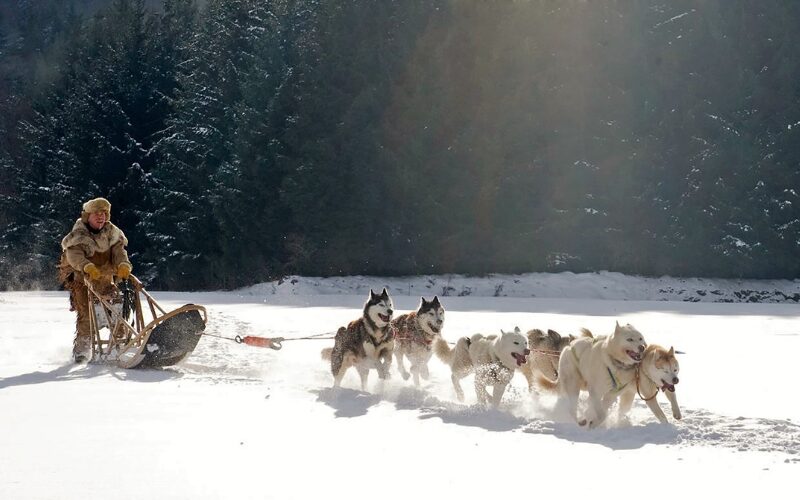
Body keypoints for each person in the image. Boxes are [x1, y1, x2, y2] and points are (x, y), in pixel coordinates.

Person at [58, 197, 132, 362]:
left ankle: (120, 343)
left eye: (104, 213)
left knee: (117, 305)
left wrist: (123, 265)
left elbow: (119, 252)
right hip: (82, 279)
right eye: (96, 213)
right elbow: (73, 255)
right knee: (87, 313)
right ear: (87, 216)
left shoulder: (112, 233)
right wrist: (86, 266)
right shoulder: (78, 235)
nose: (101, 217)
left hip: (104, 278)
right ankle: (82, 351)